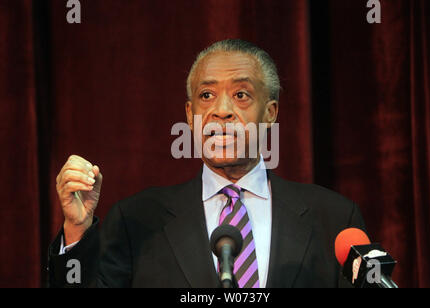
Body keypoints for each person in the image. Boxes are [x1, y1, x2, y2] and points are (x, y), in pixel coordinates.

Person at [48, 39, 366, 288]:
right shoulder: (137, 222)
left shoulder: (334, 220)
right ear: (190, 115)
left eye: (241, 94)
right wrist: (77, 230)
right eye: (206, 95)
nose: (221, 110)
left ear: (270, 113)